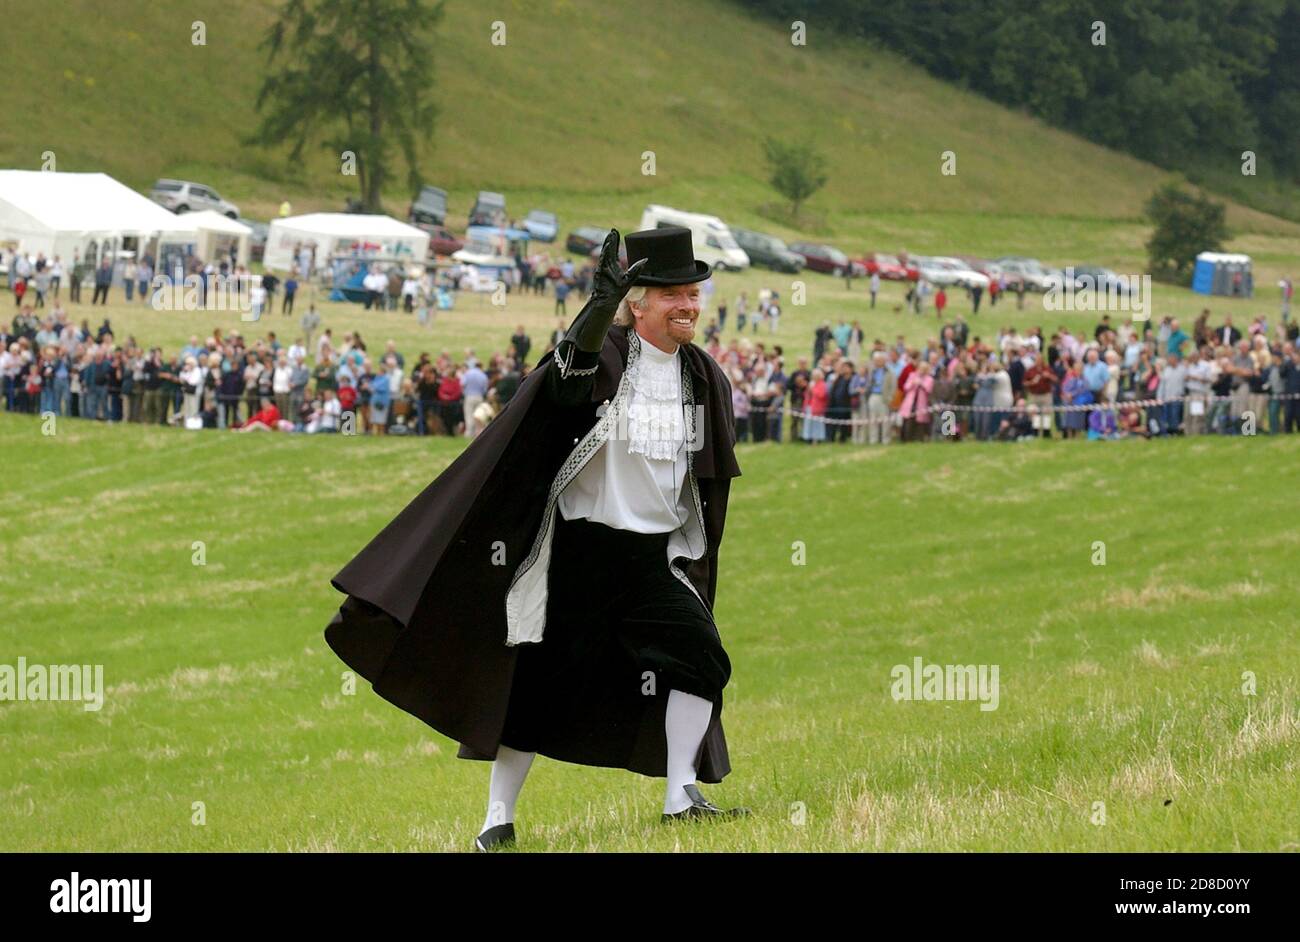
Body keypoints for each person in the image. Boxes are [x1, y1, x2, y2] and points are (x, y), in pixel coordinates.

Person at [323, 227, 747, 853]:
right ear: (637, 303)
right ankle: (497, 819)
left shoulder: (702, 376)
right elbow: (564, 385)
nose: (688, 305)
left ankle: (679, 794)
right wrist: (595, 308)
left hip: (652, 559)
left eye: (693, 293)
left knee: (703, 660)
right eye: (673, 295)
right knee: (532, 683)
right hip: (581, 555)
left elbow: (708, 476)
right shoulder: (604, 355)